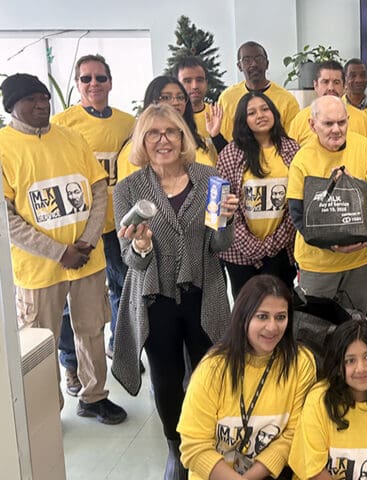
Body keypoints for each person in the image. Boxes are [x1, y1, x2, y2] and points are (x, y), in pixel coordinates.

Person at [112, 103, 238, 478]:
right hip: (156, 294)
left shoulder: (210, 177)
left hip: (205, 289)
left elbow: (219, 246)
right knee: (166, 376)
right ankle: (176, 447)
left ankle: (208, 442)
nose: (163, 140)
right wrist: (143, 246)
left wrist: (225, 221)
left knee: (208, 371)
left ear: (183, 138)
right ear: (143, 141)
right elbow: (130, 262)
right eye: (154, 133)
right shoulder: (128, 188)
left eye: (171, 132)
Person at [0, 73, 127, 424]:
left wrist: (86, 241)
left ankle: (94, 396)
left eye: (44, 97)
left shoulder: (71, 138)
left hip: (87, 258)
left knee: (91, 329)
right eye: (32, 99)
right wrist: (59, 252)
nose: (42, 104)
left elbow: (99, 189)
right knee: (42, 341)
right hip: (39, 269)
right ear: (12, 106)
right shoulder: (3, 146)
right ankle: (46, 414)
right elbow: (7, 219)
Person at [51, 53, 136, 392]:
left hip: (118, 225)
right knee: (74, 303)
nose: (93, 84)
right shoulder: (63, 124)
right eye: (86, 79)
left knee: (121, 290)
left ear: (110, 82)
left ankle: (119, 348)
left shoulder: (127, 123)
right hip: (80, 230)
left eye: (100, 78)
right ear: (77, 84)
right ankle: (71, 365)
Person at [178, 275, 316, 480]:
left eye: (280, 317)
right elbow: (193, 445)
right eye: (262, 316)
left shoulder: (301, 362)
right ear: (243, 317)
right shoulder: (213, 367)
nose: (272, 327)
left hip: (269, 473)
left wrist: (251, 476)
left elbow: (293, 434)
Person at [287, 96, 367, 314]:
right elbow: (297, 215)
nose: (336, 129)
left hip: (358, 263)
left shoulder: (363, 146)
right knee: (314, 330)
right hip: (317, 265)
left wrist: (354, 185)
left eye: (342, 122)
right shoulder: (302, 160)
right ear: (312, 125)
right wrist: (331, 246)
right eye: (328, 123)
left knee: (354, 328)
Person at [288, 319, 367, 479]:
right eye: (350, 360)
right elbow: (314, 471)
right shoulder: (318, 399)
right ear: (338, 367)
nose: (361, 368)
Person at [216, 91, 300, 298]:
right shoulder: (229, 153)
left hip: (282, 249)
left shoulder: (293, 149)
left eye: (265, 109)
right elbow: (219, 210)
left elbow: (299, 202)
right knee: (247, 314)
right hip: (239, 254)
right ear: (243, 120)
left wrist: (272, 244)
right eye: (251, 112)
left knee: (279, 309)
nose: (260, 115)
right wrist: (250, 245)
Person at [117, 76, 218, 182]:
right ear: (153, 101)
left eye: (180, 97)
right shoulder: (134, 148)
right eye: (166, 97)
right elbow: (128, 193)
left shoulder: (199, 142)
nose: (175, 102)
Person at [218, 41, 301, 140]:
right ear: (239, 66)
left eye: (259, 58)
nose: (254, 64)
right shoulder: (227, 98)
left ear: (267, 64)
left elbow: (292, 138)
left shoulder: (287, 100)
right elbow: (224, 138)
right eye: (247, 60)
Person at [287, 60, 367, 146]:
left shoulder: (362, 120)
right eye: (325, 82)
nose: (331, 88)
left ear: (344, 86)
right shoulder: (301, 119)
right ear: (316, 85)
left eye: (336, 82)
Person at [174, 55, 228, 153]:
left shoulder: (218, 115)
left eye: (199, 80)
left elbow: (230, 154)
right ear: (177, 85)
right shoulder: (172, 119)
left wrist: (216, 136)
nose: (194, 86)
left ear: (206, 83)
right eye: (187, 81)